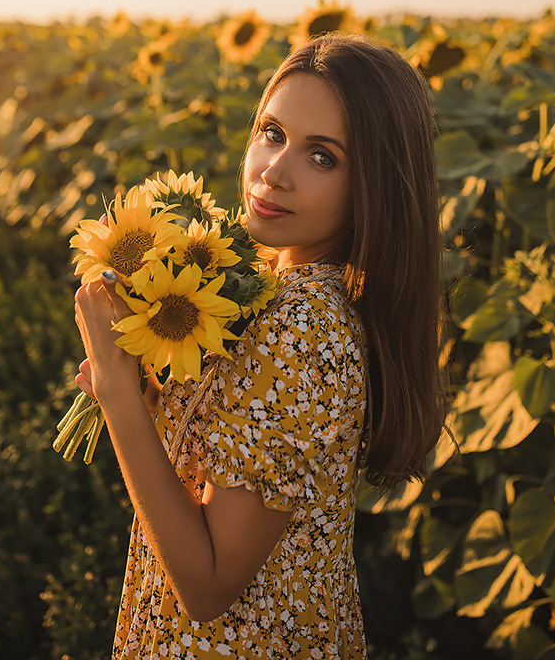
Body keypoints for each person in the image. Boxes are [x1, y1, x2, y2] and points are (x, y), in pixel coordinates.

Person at [73, 33, 447, 659]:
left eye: (322, 157)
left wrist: (117, 394)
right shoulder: (279, 291)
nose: (274, 172)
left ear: (374, 185)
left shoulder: (302, 326)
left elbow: (208, 585)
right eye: (272, 133)